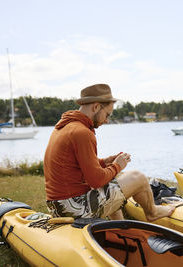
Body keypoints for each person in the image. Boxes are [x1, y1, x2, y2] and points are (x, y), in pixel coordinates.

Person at [44, 83, 175, 221]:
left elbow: (75, 167)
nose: (106, 120)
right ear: (96, 107)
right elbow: (96, 181)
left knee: (111, 183)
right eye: (107, 114)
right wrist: (117, 166)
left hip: (58, 206)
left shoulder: (65, 126)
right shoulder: (82, 132)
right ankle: (153, 212)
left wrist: (104, 162)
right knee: (138, 177)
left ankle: (119, 230)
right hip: (74, 207)